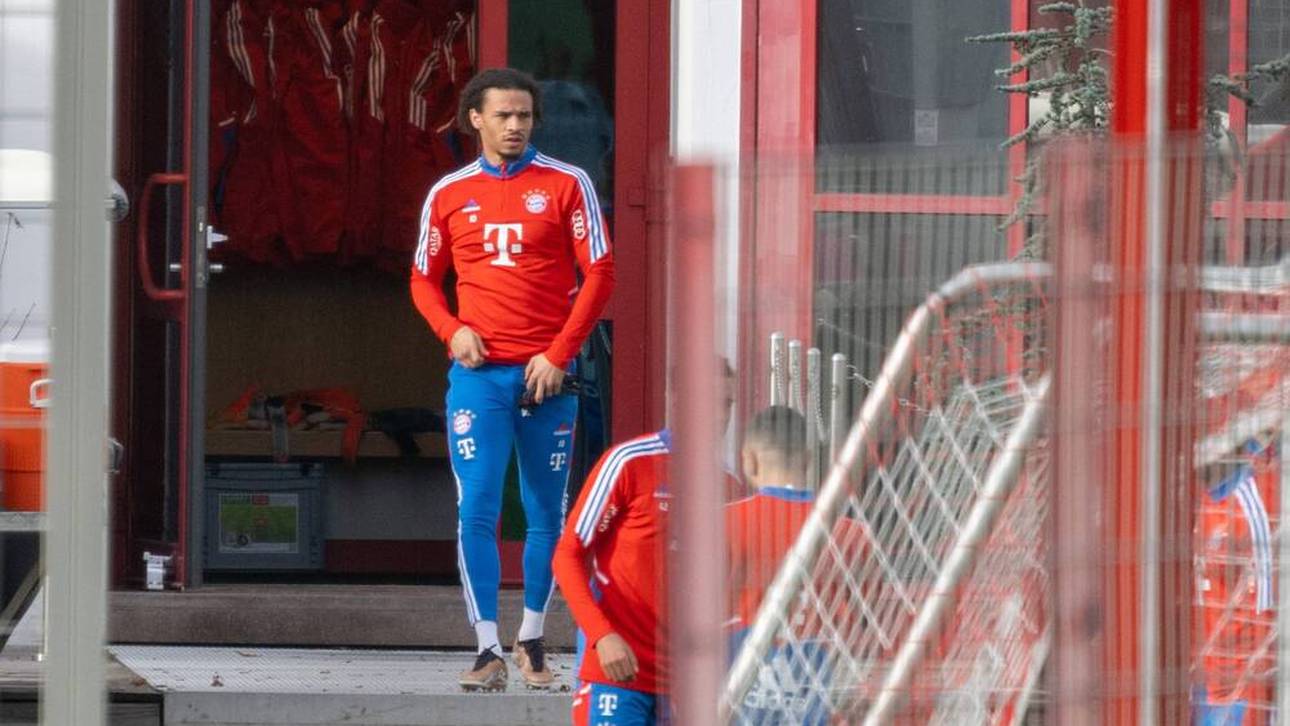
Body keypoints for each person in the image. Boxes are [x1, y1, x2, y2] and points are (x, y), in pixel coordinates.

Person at [410, 67, 614, 691]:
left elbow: (600, 272)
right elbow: (422, 279)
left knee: (545, 510)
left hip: (546, 378)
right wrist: (451, 330)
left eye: (524, 115)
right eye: (503, 115)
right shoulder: (448, 192)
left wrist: (559, 355)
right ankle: (485, 649)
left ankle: (532, 639)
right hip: (479, 379)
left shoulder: (568, 183)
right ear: (475, 119)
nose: (515, 125)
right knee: (476, 505)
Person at [554, 429, 672, 725]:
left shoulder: (728, 480)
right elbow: (567, 555)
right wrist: (601, 635)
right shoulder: (629, 461)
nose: (719, 416)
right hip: (616, 670)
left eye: (726, 407)